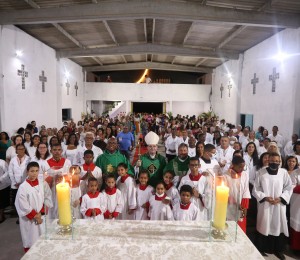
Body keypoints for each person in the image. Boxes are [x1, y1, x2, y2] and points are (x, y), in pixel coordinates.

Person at [253, 152, 293, 259]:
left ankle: (278, 250)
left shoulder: (283, 173)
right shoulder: (261, 172)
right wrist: (265, 197)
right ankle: (262, 248)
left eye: (276, 161)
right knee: (264, 225)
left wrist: (281, 198)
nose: (274, 163)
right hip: (265, 204)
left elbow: (289, 187)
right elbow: (256, 188)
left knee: (278, 226)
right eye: (272, 161)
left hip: (279, 205)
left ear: (280, 162)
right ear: (268, 160)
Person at [15, 162, 53, 252]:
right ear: (27, 172)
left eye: (36, 171)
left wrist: (41, 212)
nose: (34, 173)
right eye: (32, 171)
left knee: (43, 237)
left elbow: (48, 196)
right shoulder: (23, 187)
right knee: (31, 237)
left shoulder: (42, 183)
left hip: (42, 215)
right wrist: (36, 216)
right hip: (30, 220)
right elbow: (22, 205)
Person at [224, 156, 251, 233]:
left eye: (243, 167)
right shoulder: (226, 176)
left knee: (240, 229)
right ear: (233, 165)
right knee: (229, 228)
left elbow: (246, 190)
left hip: (241, 206)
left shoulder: (244, 175)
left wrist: (245, 206)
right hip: (229, 206)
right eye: (240, 167)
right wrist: (234, 202)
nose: (242, 169)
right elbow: (225, 192)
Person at [8, 143, 31, 217]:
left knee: (25, 200)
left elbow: (29, 171)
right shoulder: (13, 159)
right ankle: (19, 216)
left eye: (23, 149)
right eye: (19, 149)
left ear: (25, 150)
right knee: (17, 201)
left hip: (25, 183)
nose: (21, 150)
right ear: (16, 150)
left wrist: (22, 183)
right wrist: (15, 182)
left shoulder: (28, 159)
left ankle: (26, 215)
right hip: (15, 185)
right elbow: (10, 172)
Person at [289, 168, 300, 252]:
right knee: (297, 225)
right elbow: (291, 187)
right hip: (297, 202)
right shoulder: (295, 173)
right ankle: (296, 248)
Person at [0, 158, 10, 223]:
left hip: (2, 184)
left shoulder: (2, 162)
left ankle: (1, 215)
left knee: (1, 202)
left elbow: (7, 172)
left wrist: (0, 179)